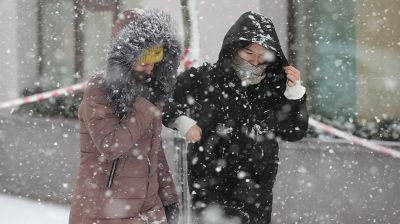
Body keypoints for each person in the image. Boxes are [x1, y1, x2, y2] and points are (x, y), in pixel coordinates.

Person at [163, 11, 308, 224]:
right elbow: (162, 97)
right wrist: (180, 121)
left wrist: (294, 94)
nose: (255, 61)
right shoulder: (205, 79)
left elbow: (294, 131)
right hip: (209, 188)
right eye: (248, 53)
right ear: (233, 49)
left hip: (257, 193)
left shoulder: (274, 86)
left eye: (262, 56)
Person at [69, 9, 182, 224]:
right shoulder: (99, 88)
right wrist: (146, 103)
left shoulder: (149, 90)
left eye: (155, 64)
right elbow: (111, 145)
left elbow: (155, 152)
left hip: (148, 211)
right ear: (125, 59)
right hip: (104, 211)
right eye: (143, 63)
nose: (150, 71)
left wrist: (169, 199)